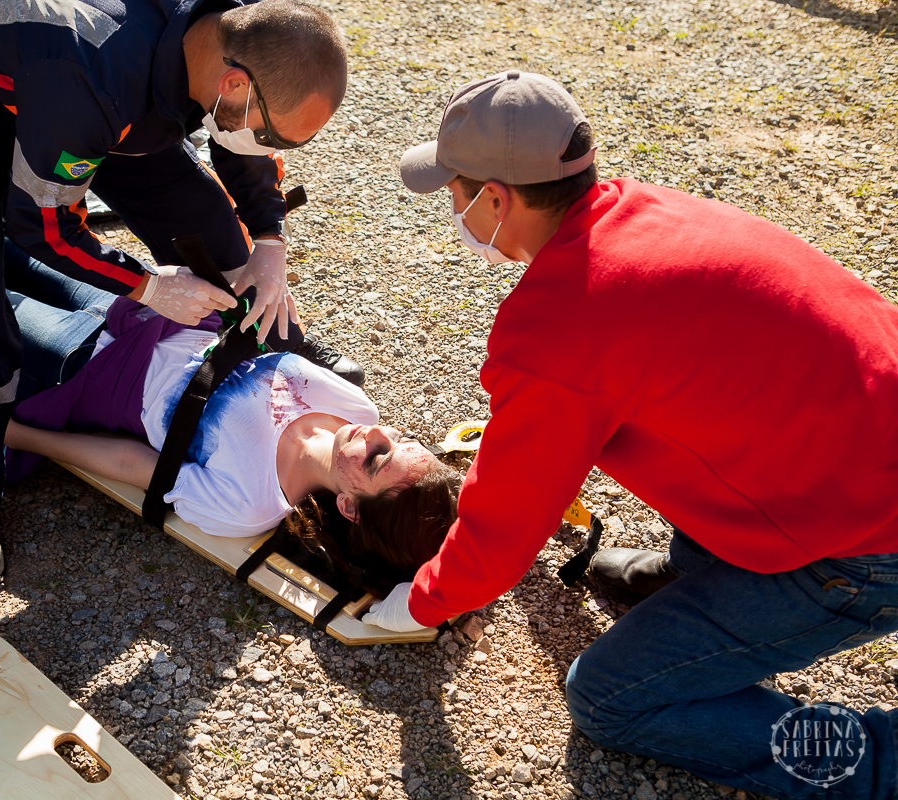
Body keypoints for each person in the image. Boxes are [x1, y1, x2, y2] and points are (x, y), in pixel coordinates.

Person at [360, 70, 898, 799]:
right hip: (857, 447)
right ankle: (702, 575)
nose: (449, 206)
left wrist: (416, 604)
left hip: (867, 541)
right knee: (705, 419)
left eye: (452, 189)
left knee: (610, 698)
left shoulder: (558, 327)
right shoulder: (641, 210)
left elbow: (502, 535)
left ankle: (879, 760)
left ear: (496, 199)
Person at [0, 0, 362, 595]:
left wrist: (268, 239)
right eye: (268, 129)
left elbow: (244, 150)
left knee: (210, 224)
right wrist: (148, 285)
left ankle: (272, 350)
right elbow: (45, 224)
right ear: (232, 82)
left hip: (95, 103)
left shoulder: (240, 30)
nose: (264, 141)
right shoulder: (91, 78)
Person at [0, 240, 459, 587]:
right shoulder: (355, 407)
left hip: (86, 362)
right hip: (148, 310)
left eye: (377, 459)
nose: (378, 433)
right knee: (8, 246)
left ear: (350, 507)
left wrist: (19, 435)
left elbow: (130, 464)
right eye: (401, 438)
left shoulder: (250, 503)